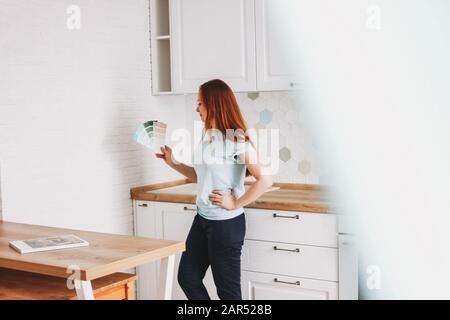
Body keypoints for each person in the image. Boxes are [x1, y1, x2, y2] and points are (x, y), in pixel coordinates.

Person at [156, 79, 273, 300]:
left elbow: (265, 179)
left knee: (228, 294)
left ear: (213, 103)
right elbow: (201, 175)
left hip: (226, 225)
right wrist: (174, 163)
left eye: (200, 102)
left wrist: (235, 203)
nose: (196, 107)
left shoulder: (234, 136)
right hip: (202, 219)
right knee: (188, 278)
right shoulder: (208, 135)